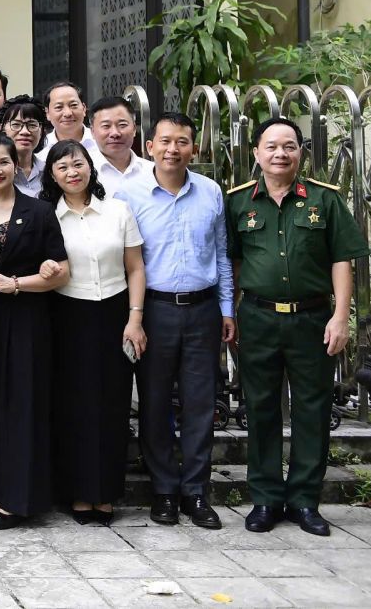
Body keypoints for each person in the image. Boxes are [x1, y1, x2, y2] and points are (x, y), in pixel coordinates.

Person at [227, 117, 368, 538]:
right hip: (258, 318)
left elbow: (342, 259)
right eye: (271, 146)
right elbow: (233, 263)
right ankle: (266, 499)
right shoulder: (238, 202)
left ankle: (305, 500)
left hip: (312, 319)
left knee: (313, 409)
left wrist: (340, 316)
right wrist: (229, 313)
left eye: (289, 146)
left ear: (300, 152)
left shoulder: (325, 199)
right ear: (256, 153)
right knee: (261, 408)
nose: (280, 154)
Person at [112, 111, 233, 530]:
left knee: (201, 403)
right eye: (164, 141)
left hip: (202, 309)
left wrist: (227, 308)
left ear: (193, 148)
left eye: (182, 141)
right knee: (155, 401)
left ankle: (196, 492)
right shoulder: (128, 195)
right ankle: (164, 489)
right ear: (149, 147)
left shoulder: (210, 192)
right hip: (154, 310)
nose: (172, 149)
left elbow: (221, 254)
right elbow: (125, 261)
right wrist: (133, 317)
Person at [0, 133, 69, 529]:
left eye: (3, 162)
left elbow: (60, 272)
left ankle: (16, 500)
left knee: (22, 407)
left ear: (15, 165)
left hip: (25, 320)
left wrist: (17, 283)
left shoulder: (38, 211)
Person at [41, 139, 145, 526]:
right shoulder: (46, 215)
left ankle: (106, 493)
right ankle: (79, 493)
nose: (72, 172)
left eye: (78, 164)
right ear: (52, 176)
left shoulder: (117, 210)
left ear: (90, 167)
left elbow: (135, 267)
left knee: (112, 404)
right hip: (67, 314)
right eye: (63, 167)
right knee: (74, 406)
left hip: (116, 312)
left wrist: (135, 318)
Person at [90, 95, 152, 190]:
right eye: (106, 126)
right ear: (92, 131)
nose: (115, 133)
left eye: (122, 125)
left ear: (134, 129)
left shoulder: (153, 172)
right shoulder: (83, 173)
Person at [43, 81, 97, 154]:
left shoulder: (101, 142)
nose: (68, 113)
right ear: (47, 113)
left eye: (73, 105)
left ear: (84, 108)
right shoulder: (40, 148)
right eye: (59, 107)